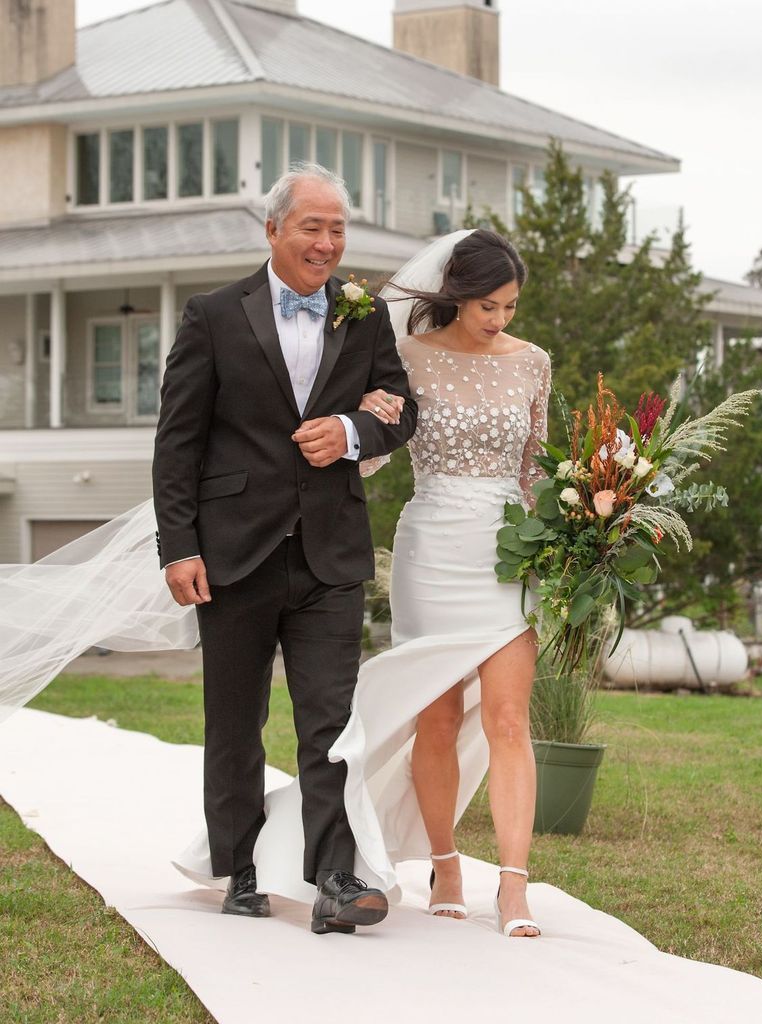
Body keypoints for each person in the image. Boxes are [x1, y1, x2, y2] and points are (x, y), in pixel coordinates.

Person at [241, 228, 550, 938]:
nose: (500, 319)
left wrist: (579, 532)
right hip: (431, 546)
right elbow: (373, 457)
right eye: (487, 306)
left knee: (507, 719)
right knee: (435, 719)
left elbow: (536, 466)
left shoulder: (532, 363)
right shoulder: (406, 355)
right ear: (454, 296)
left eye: (509, 306)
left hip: (508, 554)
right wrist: (356, 427)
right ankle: (444, 863)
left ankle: (513, 886)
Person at [152, 163, 417, 932]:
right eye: (313, 226)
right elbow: (178, 441)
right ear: (272, 229)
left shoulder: (363, 314)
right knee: (234, 719)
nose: (328, 242)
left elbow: (401, 411)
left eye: (338, 228)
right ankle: (237, 867)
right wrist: (178, 546)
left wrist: (350, 433)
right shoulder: (212, 315)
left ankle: (333, 878)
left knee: (330, 723)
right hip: (232, 551)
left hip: (331, 553)